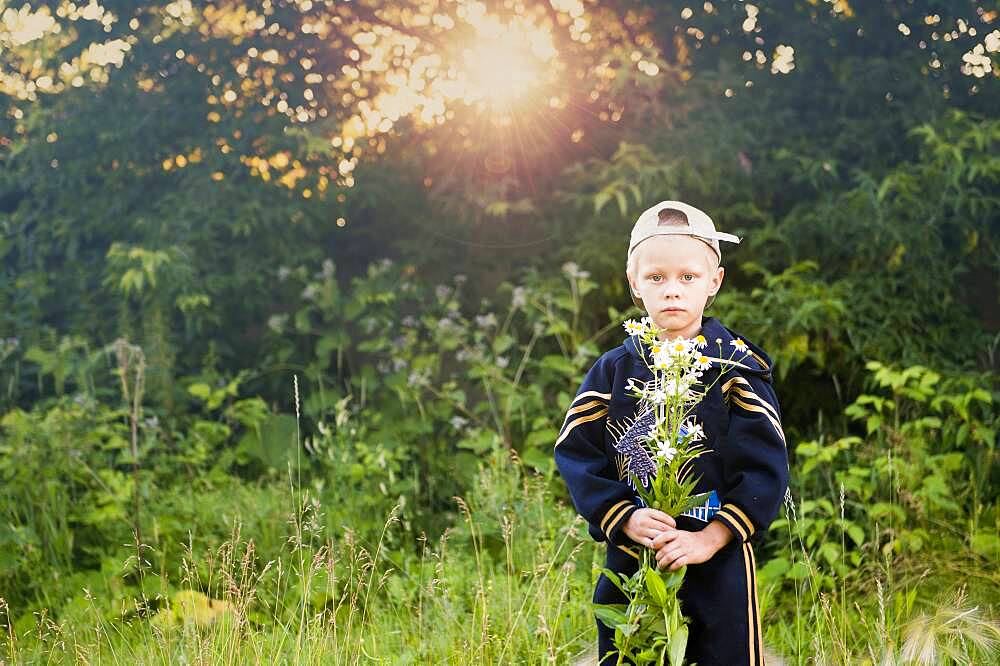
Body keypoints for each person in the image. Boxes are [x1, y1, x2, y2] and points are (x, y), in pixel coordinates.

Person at [553, 201, 789, 665]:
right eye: (656, 278)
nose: (672, 292)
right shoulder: (615, 370)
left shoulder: (733, 369)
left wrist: (712, 538)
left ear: (714, 282)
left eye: (688, 277)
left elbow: (765, 469)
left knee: (724, 655)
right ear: (634, 285)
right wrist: (621, 517)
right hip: (635, 558)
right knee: (630, 652)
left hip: (715, 557)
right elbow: (576, 453)